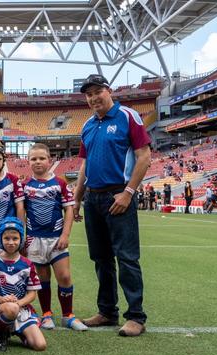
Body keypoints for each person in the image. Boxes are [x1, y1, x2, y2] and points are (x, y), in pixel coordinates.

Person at [73, 74, 151, 337]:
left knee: (127, 257)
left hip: (118, 195)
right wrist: (77, 198)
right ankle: (107, 311)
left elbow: (144, 156)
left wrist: (129, 192)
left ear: (108, 91)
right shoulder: (87, 125)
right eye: (88, 94)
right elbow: (84, 165)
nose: (93, 97)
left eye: (97, 91)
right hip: (93, 198)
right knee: (101, 258)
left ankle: (136, 316)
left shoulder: (128, 116)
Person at [23, 143, 87, 331]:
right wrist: (24, 238)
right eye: (33, 159)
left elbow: (68, 210)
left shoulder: (59, 183)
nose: (38, 162)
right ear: (28, 162)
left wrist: (66, 234)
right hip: (34, 239)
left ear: (49, 160)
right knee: (43, 279)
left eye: (42, 158)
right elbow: (22, 212)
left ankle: (68, 315)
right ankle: (46, 314)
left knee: (65, 276)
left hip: (56, 238)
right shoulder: (25, 185)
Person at [0, 217, 46, 352]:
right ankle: (0, 333)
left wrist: (19, 303)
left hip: (20, 306)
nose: (11, 242)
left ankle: (17, 330)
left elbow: (32, 294)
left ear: (21, 240)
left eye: (15, 238)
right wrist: (1, 299)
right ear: (0, 239)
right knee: (11, 309)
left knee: (40, 345)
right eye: (6, 238)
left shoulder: (27, 264)